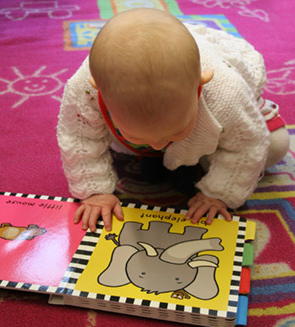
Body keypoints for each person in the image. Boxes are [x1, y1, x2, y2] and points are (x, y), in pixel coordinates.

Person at [57, 8, 289, 232]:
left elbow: (247, 144)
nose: (157, 143)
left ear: (199, 89)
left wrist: (219, 193)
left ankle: (195, 155)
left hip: (224, 119)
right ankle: (169, 148)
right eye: (139, 135)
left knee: (275, 145)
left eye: (174, 132)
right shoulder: (84, 90)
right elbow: (78, 137)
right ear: (101, 93)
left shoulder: (227, 93)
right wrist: (95, 191)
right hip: (143, 130)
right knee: (119, 138)